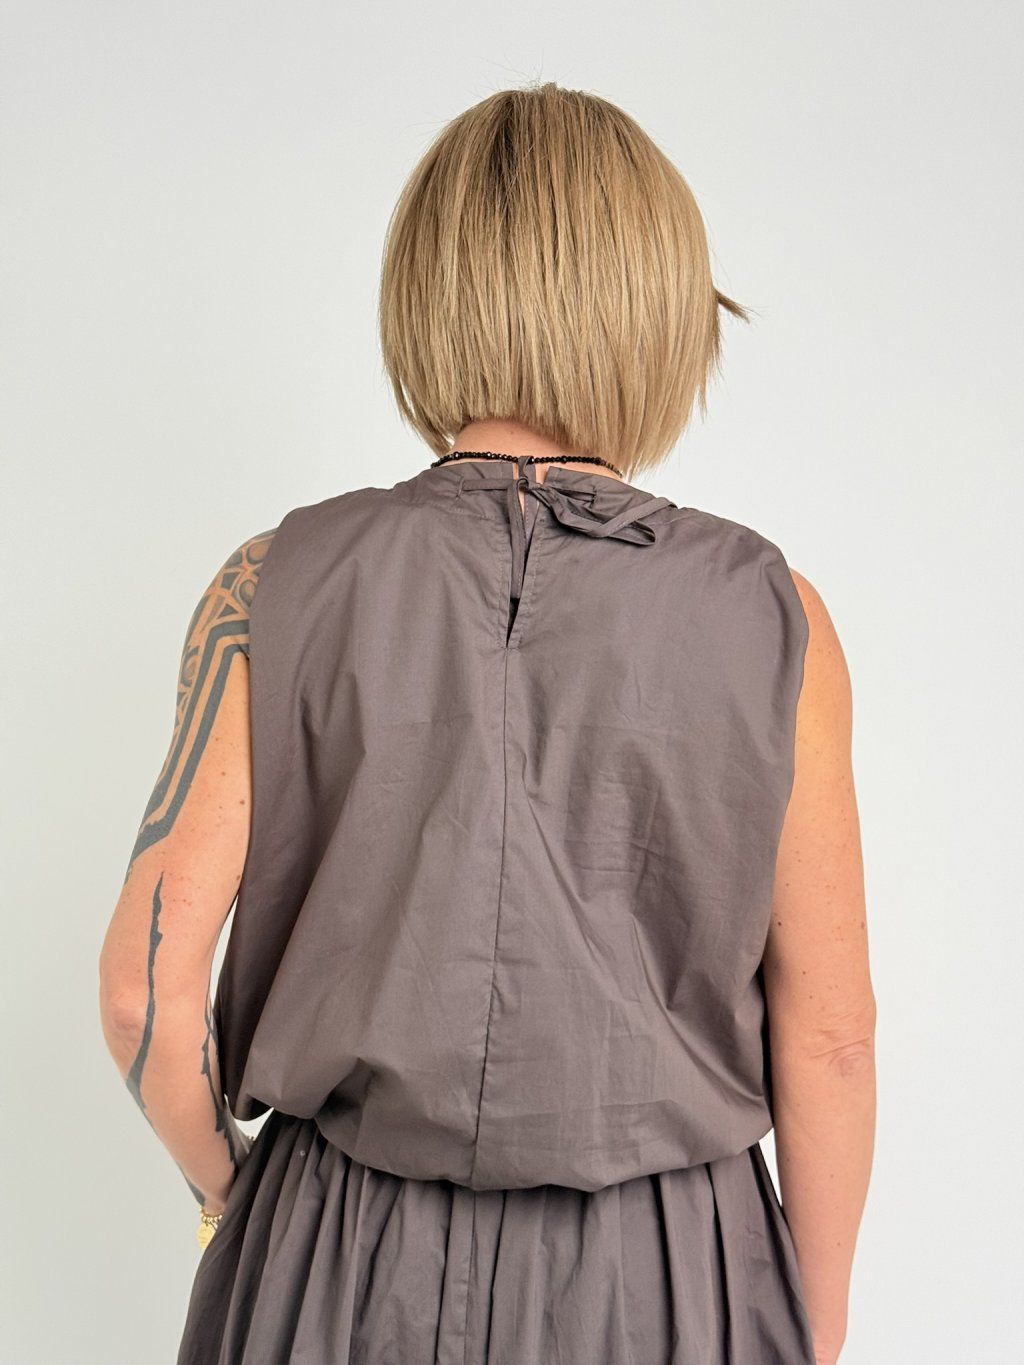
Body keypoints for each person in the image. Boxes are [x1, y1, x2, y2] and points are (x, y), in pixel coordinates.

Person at [97, 81, 876, 1365]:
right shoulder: (771, 615)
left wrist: (229, 1197)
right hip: (669, 1272)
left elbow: (143, 990)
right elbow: (831, 1037)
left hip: (334, 1253)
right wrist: (814, 1321)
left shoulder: (271, 584)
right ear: (658, 310)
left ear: (428, 291)